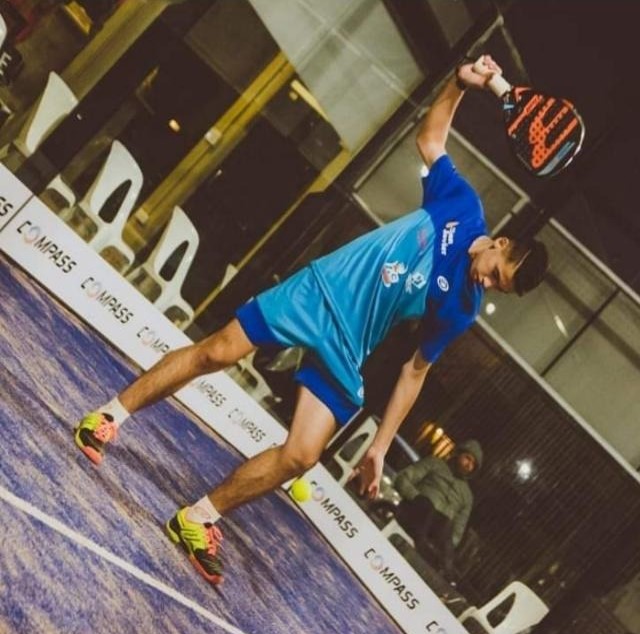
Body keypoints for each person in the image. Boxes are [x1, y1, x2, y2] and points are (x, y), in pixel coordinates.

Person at [73, 55, 548, 586]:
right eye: (497, 273)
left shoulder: (461, 308)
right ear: (499, 244)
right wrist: (458, 84)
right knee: (216, 352)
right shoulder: (461, 206)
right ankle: (107, 417)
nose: (490, 284)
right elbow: (431, 140)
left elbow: (415, 371)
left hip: (350, 345)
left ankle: (198, 519)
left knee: (301, 455)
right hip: (320, 293)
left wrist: (380, 446)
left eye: (500, 288)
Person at [392, 440, 483, 576]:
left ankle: (444, 574)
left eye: (473, 464)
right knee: (427, 507)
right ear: (458, 454)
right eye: (467, 458)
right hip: (414, 514)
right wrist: (416, 497)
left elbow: (457, 531)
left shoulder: (467, 496)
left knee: (446, 528)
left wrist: (449, 544)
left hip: (437, 535)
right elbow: (403, 478)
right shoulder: (435, 464)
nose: (468, 465)